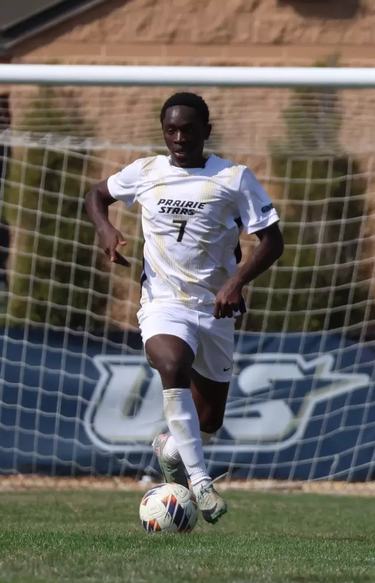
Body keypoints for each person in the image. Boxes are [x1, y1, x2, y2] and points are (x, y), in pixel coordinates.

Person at [84, 92, 284, 524]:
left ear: (206, 131)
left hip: (215, 310)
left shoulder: (233, 178)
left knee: (209, 419)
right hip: (162, 303)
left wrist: (235, 282)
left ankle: (171, 449)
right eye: (170, 130)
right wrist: (105, 229)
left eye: (188, 130)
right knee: (171, 364)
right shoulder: (146, 171)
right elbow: (96, 195)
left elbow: (273, 241)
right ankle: (201, 483)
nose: (179, 138)